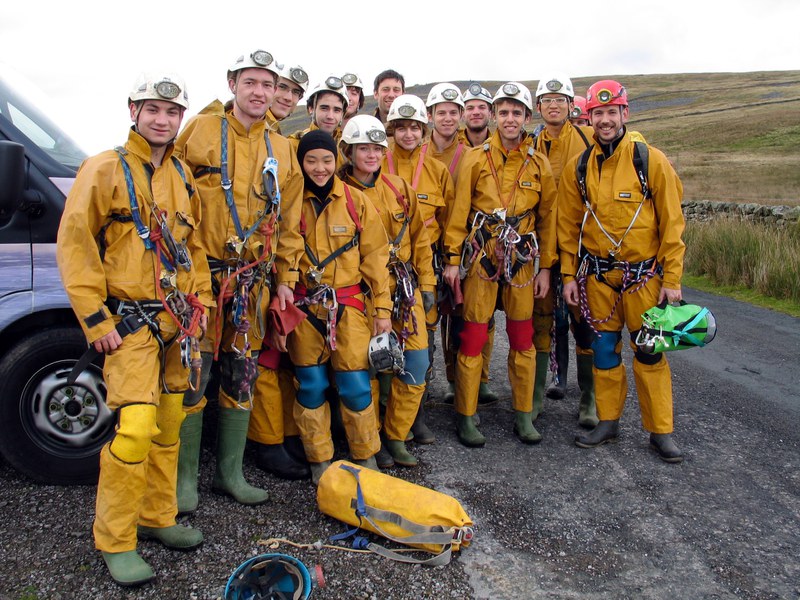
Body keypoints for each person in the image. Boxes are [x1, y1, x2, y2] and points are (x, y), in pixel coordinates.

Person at [56, 73, 212, 586]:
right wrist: (95, 318)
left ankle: (157, 515)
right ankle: (115, 539)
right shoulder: (103, 169)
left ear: (180, 119)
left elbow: (193, 251)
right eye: (152, 110)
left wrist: (201, 303)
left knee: (170, 424)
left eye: (171, 112)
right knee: (138, 428)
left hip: (176, 321)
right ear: (133, 111)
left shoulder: (184, 177)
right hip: (127, 324)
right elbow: (76, 245)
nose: (162, 119)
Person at [174, 50, 304, 512]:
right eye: (250, 82)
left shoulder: (283, 148)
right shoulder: (200, 132)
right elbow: (171, 193)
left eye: (267, 85)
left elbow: (289, 223)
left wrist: (285, 279)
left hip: (253, 281)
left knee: (241, 374)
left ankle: (230, 473)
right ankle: (182, 481)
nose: (259, 92)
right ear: (233, 83)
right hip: (202, 278)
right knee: (194, 374)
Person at [557, 79, 686, 463]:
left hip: (645, 278)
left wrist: (674, 280)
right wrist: (568, 276)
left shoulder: (651, 161)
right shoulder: (578, 167)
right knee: (603, 351)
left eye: (611, 112)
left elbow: (673, 224)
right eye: (598, 114)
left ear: (624, 114)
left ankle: (660, 431)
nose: (605, 120)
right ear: (589, 117)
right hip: (597, 278)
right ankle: (608, 421)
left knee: (649, 354)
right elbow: (567, 227)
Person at [443, 82, 557, 447]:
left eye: (517, 113)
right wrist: (450, 260)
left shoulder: (539, 163)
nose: (510, 119)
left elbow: (548, 218)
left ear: (528, 116)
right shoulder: (476, 158)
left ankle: (524, 415)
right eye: (504, 112)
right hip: (482, 256)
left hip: (522, 260)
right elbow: (459, 211)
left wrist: (546, 268)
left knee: (523, 339)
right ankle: (466, 415)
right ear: (494, 116)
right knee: (474, 337)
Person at [289, 130, 391, 484]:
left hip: (349, 308)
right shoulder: (289, 202)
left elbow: (377, 258)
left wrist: (383, 312)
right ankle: (320, 459)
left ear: (337, 161)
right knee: (311, 385)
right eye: (311, 160)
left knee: (356, 385)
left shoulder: (356, 202)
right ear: (301, 162)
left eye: (327, 160)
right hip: (304, 310)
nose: (319, 168)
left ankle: (366, 455)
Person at [338, 115, 435, 467]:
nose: (372, 154)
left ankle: (396, 436)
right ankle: (372, 441)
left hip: (404, 289)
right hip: (361, 292)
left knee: (417, 362)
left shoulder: (399, 188)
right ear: (348, 150)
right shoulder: (338, 192)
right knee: (368, 368)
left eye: (378, 148)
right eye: (364, 148)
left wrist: (427, 284)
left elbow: (420, 241)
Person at [381, 93, 455, 458]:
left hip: (422, 268)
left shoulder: (439, 171)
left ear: (423, 129)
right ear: (390, 129)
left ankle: (417, 417)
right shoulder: (378, 162)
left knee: (420, 346)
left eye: (414, 127)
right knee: (381, 347)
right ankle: (384, 423)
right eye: (401, 127)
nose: (408, 134)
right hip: (381, 272)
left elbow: (449, 220)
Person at [530, 75, 598, 431]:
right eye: (547, 99)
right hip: (540, 246)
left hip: (581, 246)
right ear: (538, 107)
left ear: (572, 106)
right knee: (541, 318)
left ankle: (590, 399)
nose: (554, 105)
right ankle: (537, 395)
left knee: (583, 319)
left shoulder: (588, 141)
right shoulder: (529, 145)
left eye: (560, 99)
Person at [432, 82, 500, 407]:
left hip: (486, 245)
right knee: (453, 315)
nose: (474, 112)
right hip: (452, 240)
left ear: (490, 113)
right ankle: (452, 379)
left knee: (484, 318)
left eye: (480, 107)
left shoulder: (498, 149)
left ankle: (481, 378)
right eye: (469, 107)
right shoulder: (455, 149)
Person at [266, 62, 309, 134]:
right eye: (282, 87)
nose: (288, 98)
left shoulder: (273, 131)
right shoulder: (247, 127)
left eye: (296, 92)